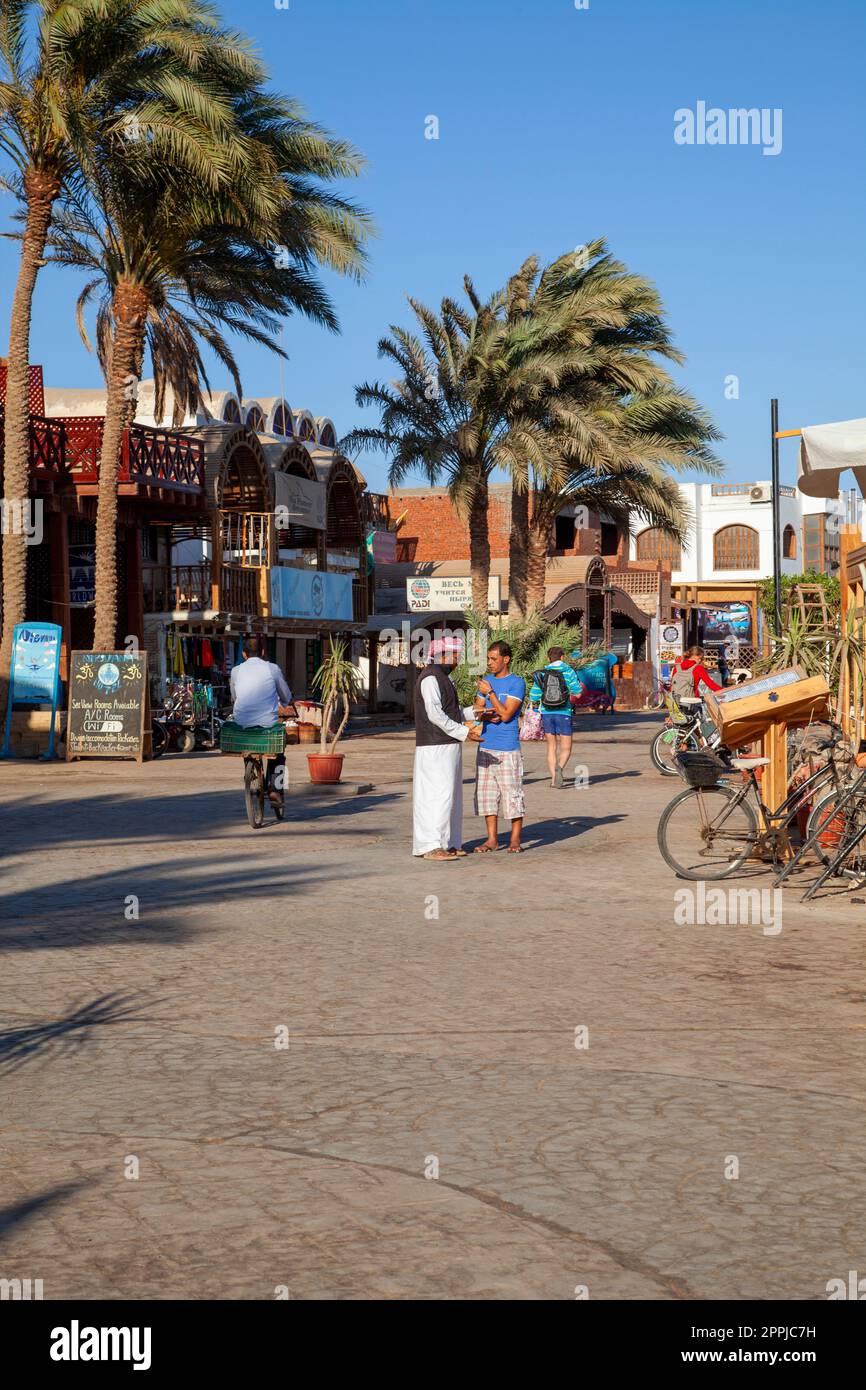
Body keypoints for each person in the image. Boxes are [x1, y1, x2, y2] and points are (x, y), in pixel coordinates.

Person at [412, 635, 482, 861]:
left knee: (451, 796)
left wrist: (475, 713)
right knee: (437, 795)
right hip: (434, 747)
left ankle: (449, 843)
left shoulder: (443, 678)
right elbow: (435, 714)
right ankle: (431, 845)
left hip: (448, 745)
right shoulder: (430, 678)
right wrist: (464, 732)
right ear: (442, 655)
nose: (457, 660)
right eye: (455, 655)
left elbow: (451, 713)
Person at [472, 640, 527, 853]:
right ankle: (492, 839)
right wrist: (485, 713)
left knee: (512, 793)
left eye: (494, 659)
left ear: (506, 659)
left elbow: (506, 714)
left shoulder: (516, 683)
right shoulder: (486, 681)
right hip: (486, 745)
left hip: (507, 747)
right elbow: (477, 709)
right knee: (486, 794)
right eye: (488, 659)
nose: (490, 663)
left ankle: (515, 839)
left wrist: (491, 695)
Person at [230, 636, 295, 808]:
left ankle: (249, 772)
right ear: (263, 652)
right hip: (267, 724)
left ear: (244, 654)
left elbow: (234, 696)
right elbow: (286, 695)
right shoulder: (272, 668)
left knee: (248, 746)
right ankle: (275, 789)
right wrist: (285, 702)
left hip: (242, 724)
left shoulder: (235, 671)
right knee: (279, 754)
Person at [530, 646, 583, 787]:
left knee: (551, 747)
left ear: (548, 658)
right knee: (566, 749)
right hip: (564, 713)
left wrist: (536, 705)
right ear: (562, 657)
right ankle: (560, 767)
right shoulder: (569, 672)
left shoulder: (543, 674)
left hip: (547, 714)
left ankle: (554, 780)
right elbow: (578, 693)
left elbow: (533, 695)